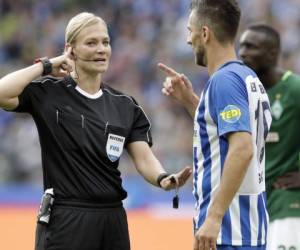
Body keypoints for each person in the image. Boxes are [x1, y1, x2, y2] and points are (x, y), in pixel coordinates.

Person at [0, 12, 192, 250]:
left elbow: (143, 157)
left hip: (113, 220)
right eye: (91, 43)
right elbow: (2, 92)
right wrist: (47, 65)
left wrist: (164, 179)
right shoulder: (49, 94)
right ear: (70, 50)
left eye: (106, 42)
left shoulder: (125, 105)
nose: (101, 49)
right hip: (66, 218)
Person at [158, 0, 272, 249]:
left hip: (230, 232)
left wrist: (214, 216)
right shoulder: (248, 78)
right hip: (249, 228)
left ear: (205, 33)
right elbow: (228, 132)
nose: (188, 40)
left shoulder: (224, 82)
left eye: (190, 31)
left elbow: (242, 149)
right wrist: (190, 102)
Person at [239, 24, 300, 250]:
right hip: (256, 206)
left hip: (288, 202)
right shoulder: (246, 92)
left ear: (272, 53)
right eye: (241, 45)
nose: (242, 52)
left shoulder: (294, 89)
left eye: (250, 46)